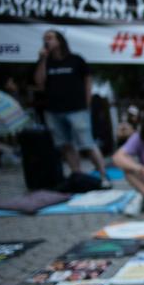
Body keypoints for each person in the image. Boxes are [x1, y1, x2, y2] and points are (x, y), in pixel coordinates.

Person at [34, 30, 110, 188]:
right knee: (65, 144)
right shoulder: (45, 62)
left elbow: (88, 81)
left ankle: (104, 176)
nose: (47, 41)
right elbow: (39, 83)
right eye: (44, 39)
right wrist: (42, 59)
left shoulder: (76, 60)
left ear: (60, 40)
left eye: (50, 38)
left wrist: (87, 103)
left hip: (77, 109)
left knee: (87, 144)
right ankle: (77, 175)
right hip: (53, 110)